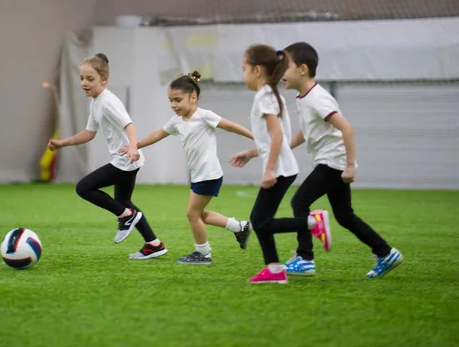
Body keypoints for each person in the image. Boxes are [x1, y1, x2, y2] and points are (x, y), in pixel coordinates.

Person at [282, 42, 403, 278]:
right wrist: (281, 148)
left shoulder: (318, 98)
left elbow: (347, 129)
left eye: (285, 67)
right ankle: (385, 252)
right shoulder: (303, 98)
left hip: (334, 163)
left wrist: (349, 165)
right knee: (344, 216)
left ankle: (305, 258)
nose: (280, 74)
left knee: (299, 202)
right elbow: (306, 132)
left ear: (303, 69)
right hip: (332, 162)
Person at [123, 71, 254, 265]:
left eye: (178, 100)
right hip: (199, 175)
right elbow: (157, 134)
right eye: (170, 100)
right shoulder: (177, 121)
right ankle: (240, 227)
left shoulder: (204, 116)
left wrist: (255, 137)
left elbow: (231, 126)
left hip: (208, 174)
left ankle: (203, 253)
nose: (173, 105)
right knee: (199, 215)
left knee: (192, 214)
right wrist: (136, 145)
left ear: (193, 97)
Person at [48, 53, 167, 260]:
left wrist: (132, 147)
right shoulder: (96, 102)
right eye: (82, 78)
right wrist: (62, 143)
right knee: (125, 203)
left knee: (84, 188)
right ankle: (153, 244)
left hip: (125, 161)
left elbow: (129, 125)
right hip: (128, 160)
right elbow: (89, 133)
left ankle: (126, 217)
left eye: (90, 79)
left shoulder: (108, 102)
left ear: (104, 80)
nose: (84, 83)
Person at [230, 44, 331, 284]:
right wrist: (252, 153)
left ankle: (312, 222)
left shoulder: (265, 96)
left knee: (260, 221)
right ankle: (274, 270)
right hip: (283, 168)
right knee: (260, 220)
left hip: (279, 170)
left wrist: (268, 170)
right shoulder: (271, 94)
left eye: (243, 69)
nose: (242, 74)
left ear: (256, 70)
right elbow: (279, 138)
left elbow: (276, 136)